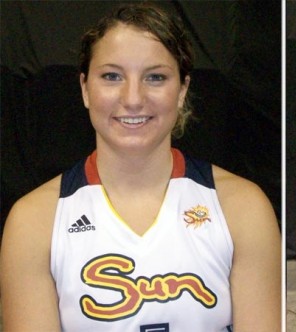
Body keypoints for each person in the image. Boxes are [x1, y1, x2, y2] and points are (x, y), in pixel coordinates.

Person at [0, 3, 281, 331]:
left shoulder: (242, 207)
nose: (133, 98)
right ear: (85, 88)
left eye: (155, 77)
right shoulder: (34, 221)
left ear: (182, 90)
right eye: (112, 76)